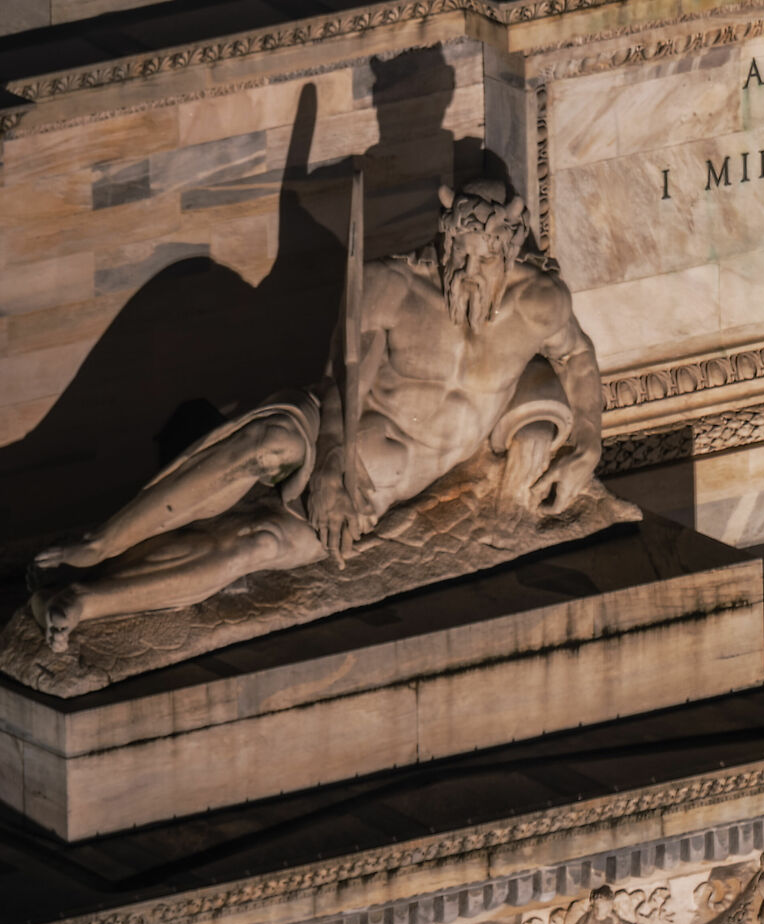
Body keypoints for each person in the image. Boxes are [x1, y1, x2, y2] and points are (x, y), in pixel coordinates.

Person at [29, 182, 607, 649]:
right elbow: (342, 375)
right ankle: (102, 542)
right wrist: (331, 462)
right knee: (268, 441)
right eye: (457, 250)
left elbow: (577, 357)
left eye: (485, 258)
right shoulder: (395, 283)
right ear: (443, 232)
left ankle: (82, 602)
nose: (467, 268)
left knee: (255, 547)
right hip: (332, 425)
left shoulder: (540, 304)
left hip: (374, 496)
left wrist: (588, 440)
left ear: (512, 250)